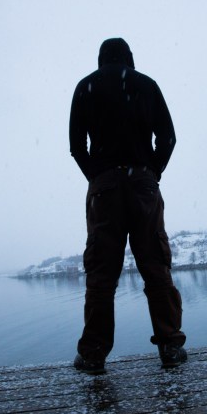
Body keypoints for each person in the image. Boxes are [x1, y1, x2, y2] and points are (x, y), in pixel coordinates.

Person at [69, 38, 187, 374]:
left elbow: (77, 146)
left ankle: (93, 355)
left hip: (104, 187)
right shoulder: (147, 84)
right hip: (142, 185)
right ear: (129, 58)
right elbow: (168, 138)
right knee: (155, 264)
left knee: (101, 272)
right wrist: (151, 172)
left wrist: (98, 176)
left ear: (101, 59)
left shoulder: (85, 87)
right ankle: (170, 347)